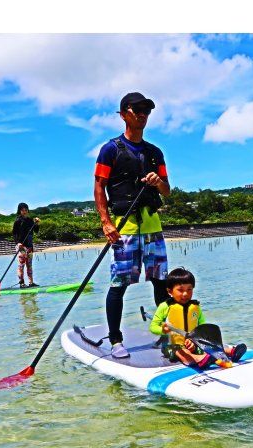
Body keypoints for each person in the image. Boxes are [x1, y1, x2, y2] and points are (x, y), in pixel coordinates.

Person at [94, 92, 171, 359]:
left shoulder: (154, 152)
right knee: (119, 284)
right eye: (137, 109)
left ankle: (166, 335)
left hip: (152, 225)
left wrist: (157, 182)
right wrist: (106, 223)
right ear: (124, 113)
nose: (143, 114)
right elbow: (99, 187)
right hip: (124, 227)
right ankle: (115, 340)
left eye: (147, 110)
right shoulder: (110, 149)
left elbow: (167, 190)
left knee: (161, 283)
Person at [148, 267, 247, 369]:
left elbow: (202, 327)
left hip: (193, 342)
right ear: (170, 291)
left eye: (189, 289)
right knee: (179, 351)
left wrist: (199, 341)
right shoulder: (165, 306)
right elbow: (153, 327)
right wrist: (163, 330)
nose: (185, 294)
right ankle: (197, 359)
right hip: (173, 346)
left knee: (208, 346)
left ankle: (231, 352)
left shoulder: (195, 307)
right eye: (180, 290)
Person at [12, 202, 40, 288]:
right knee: (21, 265)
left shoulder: (30, 220)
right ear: (19, 211)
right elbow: (14, 233)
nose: (24, 211)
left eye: (26, 210)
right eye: (22, 210)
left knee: (29, 265)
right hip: (21, 246)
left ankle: (31, 283)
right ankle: (22, 283)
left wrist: (37, 223)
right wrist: (18, 243)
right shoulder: (18, 221)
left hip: (29, 246)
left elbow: (36, 231)